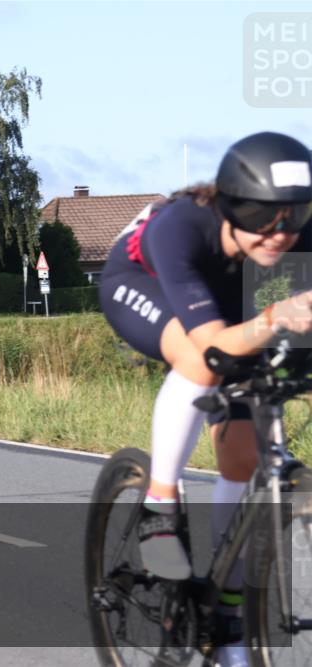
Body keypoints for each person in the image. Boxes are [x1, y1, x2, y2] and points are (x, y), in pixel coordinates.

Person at [99, 131, 312, 667]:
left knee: (242, 459)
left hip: (228, 299)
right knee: (200, 359)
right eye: (263, 216)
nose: (279, 233)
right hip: (139, 283)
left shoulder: (291, 236)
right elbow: (216, 346)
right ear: (231, 204)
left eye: (294, 216)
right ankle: (159, 503)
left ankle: (226, 616)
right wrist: (274, 318)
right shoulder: (181, 228)